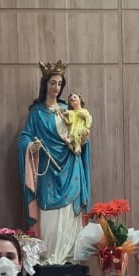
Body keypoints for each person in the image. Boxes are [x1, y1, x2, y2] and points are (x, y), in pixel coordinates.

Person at [18, 62, 90, 265]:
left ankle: (68, 258)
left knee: (69, 215)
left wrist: (84, 139)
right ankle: (49, 257)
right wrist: (30, 146)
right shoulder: (37, 113)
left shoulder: (69, 110)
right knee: (49, 215)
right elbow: (24, 137)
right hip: (48, 169)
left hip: (71, 167)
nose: (56, 87)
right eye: (52, 83)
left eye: (59, 84)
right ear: (45, 85)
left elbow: (82, 132)